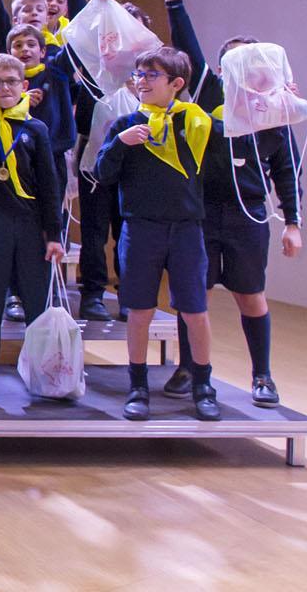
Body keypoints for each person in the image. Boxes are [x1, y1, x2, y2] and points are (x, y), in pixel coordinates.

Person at [161, 0, 301, 408]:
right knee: (193, 295)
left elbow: (285, 173)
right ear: (224, 70)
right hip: (201, 213)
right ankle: (189, 367)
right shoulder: (209, 100)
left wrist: (293, 223)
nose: (248, 69)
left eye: (254, 61)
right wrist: (174, 2)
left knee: (250, 295)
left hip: (249, 217)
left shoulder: (274, 114)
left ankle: (262, 376)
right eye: (237, 61)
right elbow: (191, 50)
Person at [95, 45, 224, 422]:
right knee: (139, 311)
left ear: (176, 83)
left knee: (195, 311)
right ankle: (138, 386)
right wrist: (120, 145)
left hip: (186, 229)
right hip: (140, 228)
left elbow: (232, 152)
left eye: (151, 75)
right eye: (138, 75)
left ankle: (203, 384)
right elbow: (102, 175)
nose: (141, 82)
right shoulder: (125, 125)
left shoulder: (197, 124)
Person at [0, 54, 68, 402]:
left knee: (37, 303)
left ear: (25, 86)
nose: (5, 87)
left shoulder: (36, 129)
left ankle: (45, 376)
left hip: (30, 223)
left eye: (11, 81)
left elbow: (50, 187)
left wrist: (54, 235)